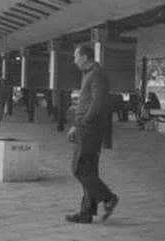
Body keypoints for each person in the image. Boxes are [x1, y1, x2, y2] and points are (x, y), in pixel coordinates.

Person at [65, 44, 119, 224]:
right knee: (88, 169)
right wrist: (75, 125)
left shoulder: (97, 75)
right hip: (84, 127)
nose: (74, 61)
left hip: (89, 129)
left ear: (85, 57)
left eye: (76, 57)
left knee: (79, 168)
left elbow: (97, 103)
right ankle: (86, 213)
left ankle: (108, 197)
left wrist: (84, 122)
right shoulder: (89, 74)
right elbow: (86, 102)